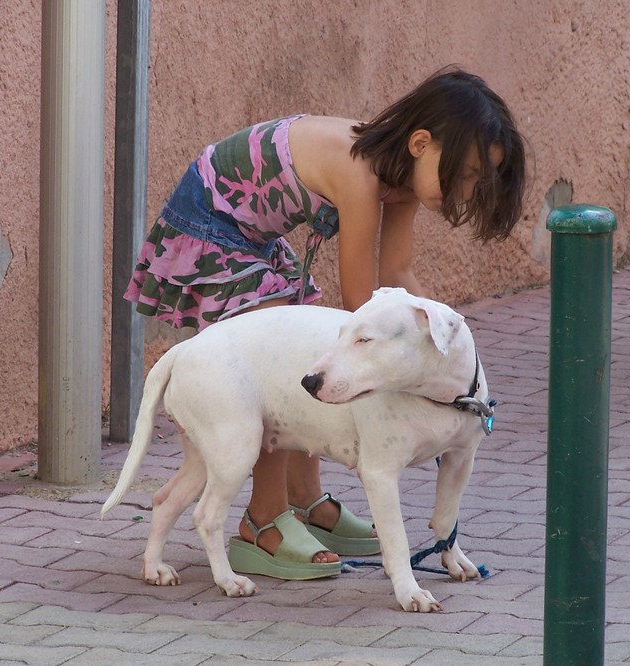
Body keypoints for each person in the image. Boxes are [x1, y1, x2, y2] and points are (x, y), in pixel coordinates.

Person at [124, 66, 526, 580]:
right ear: (422, 142)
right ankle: (263, 525)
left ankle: (308, 502)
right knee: (273, 361)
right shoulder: (359, 175)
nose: (468, 191)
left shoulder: (401, 182)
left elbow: (397, 276)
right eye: (467, 173)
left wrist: (448, 337)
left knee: (305, 341)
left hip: (258, 240)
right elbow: (362, 301)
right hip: (212, 224)